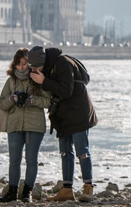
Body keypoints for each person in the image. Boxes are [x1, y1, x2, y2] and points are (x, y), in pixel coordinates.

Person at [28, 45, 98, 203]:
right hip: (63, 115)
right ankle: (67, 189)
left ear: (43, 63)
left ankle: (88, 187)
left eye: (37, 68)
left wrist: (44, 81)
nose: (35, 71)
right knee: (65, 152)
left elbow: (66, 90)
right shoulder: (48, 68)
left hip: (78, 112)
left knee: (82, 150)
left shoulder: (63, 63)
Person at [0, 48, 52, 203]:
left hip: (35, 125)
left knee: (31, 160)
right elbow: (1, 103)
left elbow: (48, 101)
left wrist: (32, 100)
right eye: (18, 64)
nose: (21, 67)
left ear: (30, 64)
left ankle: (27, 192)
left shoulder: (38, 79)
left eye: (24, 63)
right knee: (14, 160)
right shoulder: (11, 81)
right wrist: (12, 99)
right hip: (14, 125)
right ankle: (12, 192)